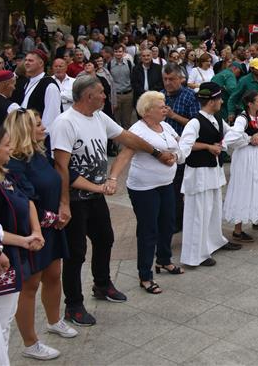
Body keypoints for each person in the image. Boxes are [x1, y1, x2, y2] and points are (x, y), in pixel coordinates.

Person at [52, 75, 176, 326]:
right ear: (88, 96)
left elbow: (127, 138)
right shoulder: (65, 123)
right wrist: (63, 204)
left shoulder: (99, 117)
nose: (105, 97)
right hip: (75, 199)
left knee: (105, 239)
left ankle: (102, 284)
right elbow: (61, 168)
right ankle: (73, 305)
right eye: (101, 93)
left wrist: (156, 152)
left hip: (96, 197)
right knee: (75, 254)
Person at [5, 110, 76, 360]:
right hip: (31, 231)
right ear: (24, 130)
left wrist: (61, 209)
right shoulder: (14, 162)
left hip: (53, 226)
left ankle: (54, 320)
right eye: (38, 125)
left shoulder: (39, 154)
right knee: (30, 285)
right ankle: (30, 342)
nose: (44, 128)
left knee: (54, 275)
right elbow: (25, 200)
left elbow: (54, 184)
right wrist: (53, 219)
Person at [109, 91, 185, 294]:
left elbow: (181, 146)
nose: (165, 109)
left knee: (168, 223)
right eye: (161, 106)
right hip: (144, 188)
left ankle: (164, 260)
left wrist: (175, 156)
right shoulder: (138, 130)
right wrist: (113, 178)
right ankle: (145, 275)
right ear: (147, 110)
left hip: (167, 183)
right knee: (148, 230)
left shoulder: (166, 125)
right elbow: (124, 156)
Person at [177, 82, 242, 266]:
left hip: (213, 172)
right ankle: (194, 255)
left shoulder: (217, 119)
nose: (222, 101)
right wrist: (207, 146)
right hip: (198, 173)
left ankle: (213, 242)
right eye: (219, 98)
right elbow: (185, 145)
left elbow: (232, 134)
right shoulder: (195, 122)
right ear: (212, 101)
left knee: (213, 210)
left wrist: (249, 130)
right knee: (198, 213)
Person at [0, 126, 45, 362]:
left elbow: (27, 201)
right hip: (1, 262)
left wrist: (33, 233)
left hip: (10, 259)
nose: (11, 148)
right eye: (5, 145)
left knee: (2, 326)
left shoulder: (5, 175)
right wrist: (0, 251)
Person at [223, 90, 258, 236]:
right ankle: (237, 230)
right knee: (243, 187)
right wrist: (248, 139)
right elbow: (234, 135)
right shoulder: (242, 119)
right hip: (245, 155)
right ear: (250, 104)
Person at [162, 63, 199, 232]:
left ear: (181, 79)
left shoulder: (190, 96)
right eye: (165, 79)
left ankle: (179, 221)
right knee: (168, 189)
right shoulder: (160, 97)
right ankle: (173, 218)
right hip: (164, 150)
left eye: (172, 79)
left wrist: (173, 115)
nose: (168, 82)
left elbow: (196, 123)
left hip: (183, 150)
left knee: (179, 188)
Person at [11, 50, 61, 135]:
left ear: (41, 63)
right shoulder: (27, 81)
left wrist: (42, 135)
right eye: (26, 60)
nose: (26, 63)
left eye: (30, 61)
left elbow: (51, 115)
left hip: (39, 137)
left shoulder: (49, 85)